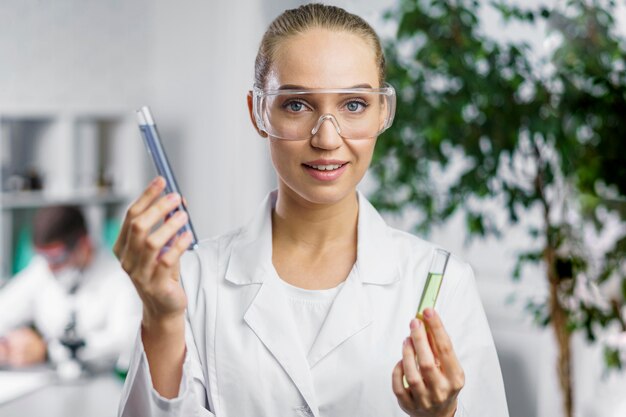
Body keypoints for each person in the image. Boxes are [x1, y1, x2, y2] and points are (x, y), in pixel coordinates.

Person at [116, 4, 509, 417]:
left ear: (382, 112)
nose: (326, 138)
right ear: (258, 111)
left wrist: (442, 415)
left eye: (354, 105)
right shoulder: (194, 281)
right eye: (297, 105)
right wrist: (161, 320)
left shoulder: (442, 281)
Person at [0, 205, 140, 371]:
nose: (51, 267)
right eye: (44, 257)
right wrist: (7, 346)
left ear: (84, 244)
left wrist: (47, 350)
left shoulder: (121, 279)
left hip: (105, 383)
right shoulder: (41, 271)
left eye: (57, 257)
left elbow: (122, 341)